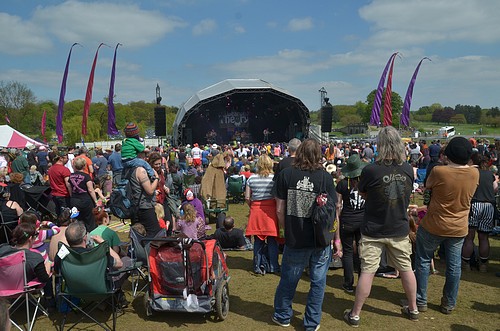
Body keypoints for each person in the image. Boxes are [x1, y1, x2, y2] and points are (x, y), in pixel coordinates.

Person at [344, 126, 418, 327]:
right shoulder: (407, 169)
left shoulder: (370, 170)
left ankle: (355, 314)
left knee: (368, 271)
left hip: (374, 228)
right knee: (406, 269)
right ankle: (413, 308)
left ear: (380, 146)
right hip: (398, 227)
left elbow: (363, 193)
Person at [273, 138, 338, 331]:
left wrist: (285, 229)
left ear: (299, 153)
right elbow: (334, 208)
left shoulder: (286, 174)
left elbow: (279, 209)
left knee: (289, 279)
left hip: (295, 237)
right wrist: (336, 237)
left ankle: (283, 315)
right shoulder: (325, 177)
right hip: (320, 239)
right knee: (318, 282)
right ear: (319, 154)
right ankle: (311, 322)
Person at [415, 136, 479, 315]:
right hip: (458, 226)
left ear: (449, 153)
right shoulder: (475, 173)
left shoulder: (439, 171)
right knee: (454, 266)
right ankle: (449, 303)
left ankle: (421, 300)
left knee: (423, 261)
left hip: (434, 224)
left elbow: (428, 187)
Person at [55, 221, 129, 308]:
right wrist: (104, 243)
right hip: (101, 290)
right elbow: (119, 264)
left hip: (73, 290)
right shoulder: (96, 254)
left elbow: (56, 271)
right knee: (127, 260)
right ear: (85, 237)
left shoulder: (61, 255)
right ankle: (114, 298)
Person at [336, 154, 367, 293]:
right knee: (362, 252)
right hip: (362, 221)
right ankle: (362, 281)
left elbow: (338, 205)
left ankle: (348, 283)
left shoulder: (342, 184)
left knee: (348, 252)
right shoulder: (365, 183)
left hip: (347, 220)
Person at [245, 154, 280, 275]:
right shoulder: (274, 178)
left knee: (258, 241)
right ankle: (273, 266)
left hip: (256, 211)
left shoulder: (251, 179)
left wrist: (253, 206)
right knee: (272, 240)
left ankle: (257, 266)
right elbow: (277, 197)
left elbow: (247, 197)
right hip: (271, 211)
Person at [129, 152, 161, 237]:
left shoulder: (129, 168)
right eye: (144, 156)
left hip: (135, 206)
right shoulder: (140, 170)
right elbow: (150, 190)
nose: (146, 159)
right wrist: (157, 178)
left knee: (138, 234)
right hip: (144, 207)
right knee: (155, 234)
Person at [69, 157, 98, 232]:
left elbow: (69, 188)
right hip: (85, 200)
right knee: (89, 221)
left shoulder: (71, 176)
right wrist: (95, 201)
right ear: (84, 166)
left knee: (77, 220)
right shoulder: (86, 176)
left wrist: (72, 197)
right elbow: (90, 190)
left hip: (75, 200)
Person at [47, 151, 71, 217]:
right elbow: (68, 184)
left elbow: (50, 181)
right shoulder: (64, 169)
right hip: (64, 194)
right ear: (61, 158)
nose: (68, 160)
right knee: (66, 214)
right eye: (66, 158)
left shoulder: (50, 169)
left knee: (58, 213)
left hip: (54, 194)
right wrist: (71, 194)